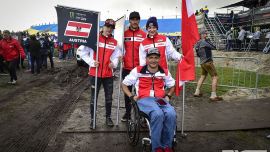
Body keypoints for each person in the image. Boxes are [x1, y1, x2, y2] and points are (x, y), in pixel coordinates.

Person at [122, 47, 176, 152]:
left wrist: (168, 95)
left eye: (156, 57)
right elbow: (124, 84)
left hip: (160, 99)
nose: (153, 60)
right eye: (151, 57)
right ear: (147, 59)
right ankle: (157, 147)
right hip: (144, 99)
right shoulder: (138, 70)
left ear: (159, 59)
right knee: (157, 113)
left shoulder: (164, 71)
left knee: (171, 113)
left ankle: (167, 146)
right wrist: (131, 96)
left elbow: (172, 85)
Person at [80, 19, 121, 128]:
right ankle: (93, 120)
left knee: (109, 98)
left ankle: (108, 118)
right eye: (107, 27)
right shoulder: (93, 39)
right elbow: (82, 53)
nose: (109, 29)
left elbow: (117, 56)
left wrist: (114, 63)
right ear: (103, 27)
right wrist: (92, 62)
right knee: (94, 98)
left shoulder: (114, 42)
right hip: (95, 74)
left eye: (111, 28)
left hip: (108, 75)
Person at [121, 11, 147, 122]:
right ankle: (127, 113)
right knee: (127, 92)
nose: (135, 21)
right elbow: (119, 49)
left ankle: (140, 114)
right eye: (133, 19)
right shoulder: (124, 34)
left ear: (139, 21)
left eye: (137, 19)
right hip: (126, 67)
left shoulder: (144, 34)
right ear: (130, 20)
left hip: (139, 69)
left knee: (140, 92)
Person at [194, 30, 223, 101]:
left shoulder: (197, 43)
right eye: (206, 34)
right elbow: (214, 47)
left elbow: (197, 54)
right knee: (215, 77)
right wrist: (208, 40)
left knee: (203, 76)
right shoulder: (204, 42)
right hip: (208, 62)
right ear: (202, 34)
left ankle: (197, 91)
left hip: (202, 62)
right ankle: (213, 95)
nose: (207, 35)